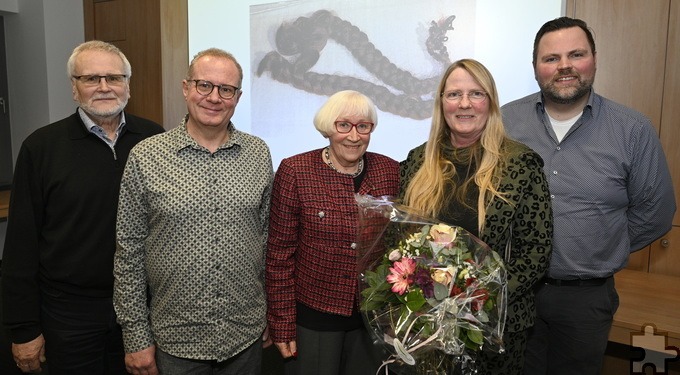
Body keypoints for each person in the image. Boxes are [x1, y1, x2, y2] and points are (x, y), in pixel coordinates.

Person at [501, 17, 676, 375]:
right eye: (551, 58)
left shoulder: (633, 130)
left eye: (576, 54)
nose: (563, 66)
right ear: (535, 67)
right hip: (516, 291)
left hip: (586, 299)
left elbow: (656, 213)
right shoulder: (505, 123)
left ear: (594, 59)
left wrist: (603, 245)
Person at [0, 40, 163, 374]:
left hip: (142, 307)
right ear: (74, 88)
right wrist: (24, 328)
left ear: (128, 86)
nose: (104, 87)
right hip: (69, 313)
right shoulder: (41, 148)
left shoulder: (154, 140)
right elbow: (21, 243)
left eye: (114, 78)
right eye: (91, 79)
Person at [113, 48, 273, 375]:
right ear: (186, 88)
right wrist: (135, 337)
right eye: (204, 86)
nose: (214, 97)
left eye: (225, 89)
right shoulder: (146, 157)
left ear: (237, 97)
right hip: (174, 342)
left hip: (245, 335)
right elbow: (128, 252)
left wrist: (270, 315)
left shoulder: (257, 154)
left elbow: (268, 238)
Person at [399, 59, 553, 374]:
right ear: (442, 103)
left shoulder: (520, 164)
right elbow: (402, 240)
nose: (465, 103)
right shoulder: (417, 162)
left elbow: (536, 252)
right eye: (454, 94)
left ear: (491, 103)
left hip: (498, 325)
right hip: (426, 321)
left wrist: (478, 298)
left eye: (476, 94)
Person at [266, 90, 399, 375]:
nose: (354, 136)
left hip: (371, 319)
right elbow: (279, 254)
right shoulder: (295, 170)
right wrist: (282, 322)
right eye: (344, 125)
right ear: (328, 128)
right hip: (314, 319)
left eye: (363, 126)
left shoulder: (389, 170)